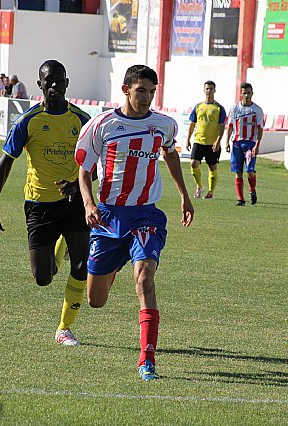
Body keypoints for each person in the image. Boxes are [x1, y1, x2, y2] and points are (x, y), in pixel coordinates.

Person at [75, 65, 194, 381]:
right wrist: (88, 203)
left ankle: (147, 361)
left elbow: (170, 154)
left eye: (152, 92)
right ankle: (113, 266)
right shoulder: (102, 125)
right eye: (141, 91)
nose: (147, 98)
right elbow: (85, 171)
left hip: (146, 216)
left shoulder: (163, 125)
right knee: (96, 301)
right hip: (109, 216)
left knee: (144, 280)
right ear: (126, 89)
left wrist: (184, 194)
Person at [0, 60, 91, 346]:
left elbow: (97, 159)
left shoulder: (82, 120)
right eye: (48, 81)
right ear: (40, 85)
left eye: (59, 81)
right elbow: (6, 162)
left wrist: (79, 186)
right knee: (43, 278)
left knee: (82, 264)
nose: (54, 86)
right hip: (40, 204)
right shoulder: (28, 121)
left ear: (67, 83)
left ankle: (64, 329)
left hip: (75, 201)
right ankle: (58, 248)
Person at [225, 82, 264, 206]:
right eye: (244, 93)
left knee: (250, 171)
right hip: (236, 143)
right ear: (241, 94)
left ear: (252, 93)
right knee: (238, 172)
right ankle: (240, 199)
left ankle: (252, 190)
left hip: (250, 144)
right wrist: (226, 142)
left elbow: (260, 128)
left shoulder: (257, 110)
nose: (246, 95)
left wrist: (257, 144)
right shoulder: (235, 109)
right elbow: (230, 126)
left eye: (248, 93)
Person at [186, 80, 226, 199]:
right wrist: (188, 139)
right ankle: (199, 186)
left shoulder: (219, 108)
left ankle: (210, 192)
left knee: (212, 167)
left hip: (212, 143)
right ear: (204, 90)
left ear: (215, 90)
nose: (209, 91)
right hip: (199, 140)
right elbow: (192, 123)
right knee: (193, 163)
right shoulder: (198, 107)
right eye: (207, 89)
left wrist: (218, 141)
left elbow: (222, 126)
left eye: (211, 89)